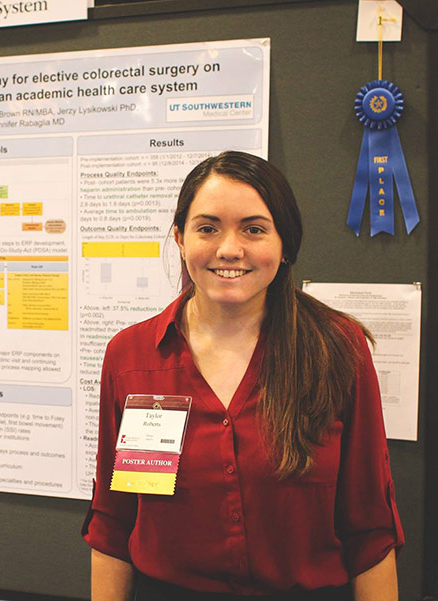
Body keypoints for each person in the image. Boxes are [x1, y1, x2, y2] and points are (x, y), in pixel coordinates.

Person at [82, 151, 404, 601]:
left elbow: (370, 526)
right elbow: (113, 522)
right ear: (179, 238)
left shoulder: (338, 350)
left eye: (253, 229)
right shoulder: (131, 357)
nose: (229, 248)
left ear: (284, 243)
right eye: (207, 228)